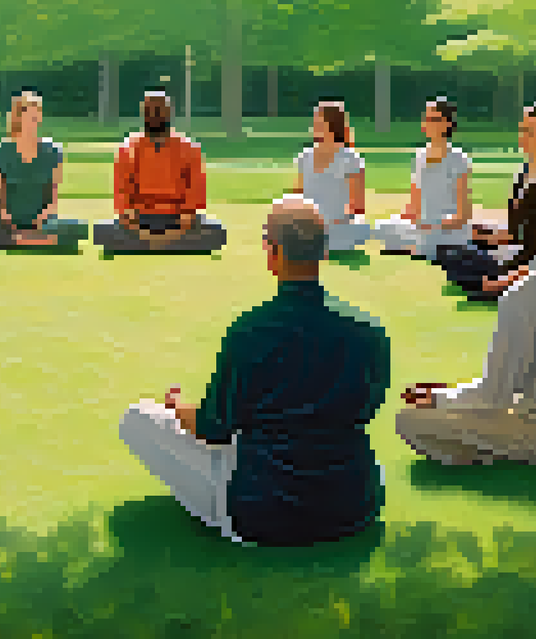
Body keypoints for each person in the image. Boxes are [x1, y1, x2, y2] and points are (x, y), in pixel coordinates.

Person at [119, 195, 391, 546]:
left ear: (272, 252)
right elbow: (366, 410)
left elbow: (212, 429)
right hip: (354, 506)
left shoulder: (251, 330)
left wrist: (177, 408)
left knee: (138, 418)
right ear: (324, 252)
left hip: (261, 510)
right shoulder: (369, 329)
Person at [395, 176, 536, 466]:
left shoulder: (524, 294)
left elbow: (493, 395)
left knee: (411, 418)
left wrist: (439, 398)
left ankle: (485, 456)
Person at [432, 101, 536, 300]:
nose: (523, 137)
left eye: (530, 132)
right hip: (513, 255)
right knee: (450, 252)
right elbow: (514, 231)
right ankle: (497, 281)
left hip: (531, 268)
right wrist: (485, 234)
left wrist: (503, 281)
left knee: (462, 264)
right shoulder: (523, 176)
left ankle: (507, 285)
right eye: (522, 130)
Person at [92, 90, 228, 253]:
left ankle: (145, 245)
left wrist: (185, 218)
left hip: (178, 218)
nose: (156, 115)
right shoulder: (129, 147)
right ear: (144, 113)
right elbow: (123, 192)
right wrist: (131, 218)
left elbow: (195, 191)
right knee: (101, 231)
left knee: (217, 232)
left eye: (160, 110)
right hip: (139, 218)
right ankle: (171, 245)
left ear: (169, 113)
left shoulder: (189, 147)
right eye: (152, 111)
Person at [0, 88, 89, 252]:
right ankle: (40, 241)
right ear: (18, 118)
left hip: (43, 222)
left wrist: (44, 216)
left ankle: (18, 241)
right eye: (29, 117)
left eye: (36, 117)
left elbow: (53, 197)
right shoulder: (1, 151)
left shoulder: (53, 150)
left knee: (79, 228)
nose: (33, 122)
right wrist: (4, 216)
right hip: (9, 222)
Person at [370, 96, 473, 260]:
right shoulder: (420, 156)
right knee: (380, 227)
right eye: (427, 118)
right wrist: (400, 220)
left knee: (428, 238)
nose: (428, 123)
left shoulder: (458, 159)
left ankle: (418, 248)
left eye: (434, 119)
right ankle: (416, 247)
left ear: (447, 123)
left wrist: (434, 225)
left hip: (447, 230)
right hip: (423, 226)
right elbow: (414, 204)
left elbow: (464, 215)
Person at [290, 98, 370, 252]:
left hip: (338, 227)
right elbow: (298, 197)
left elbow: (357, 207)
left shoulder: (350, 159)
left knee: (364, 227)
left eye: (319, 121)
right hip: (309, 225)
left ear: (332, 124)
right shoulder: (305, 156)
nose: (314, 125)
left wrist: (335, 221)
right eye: (315, 120)